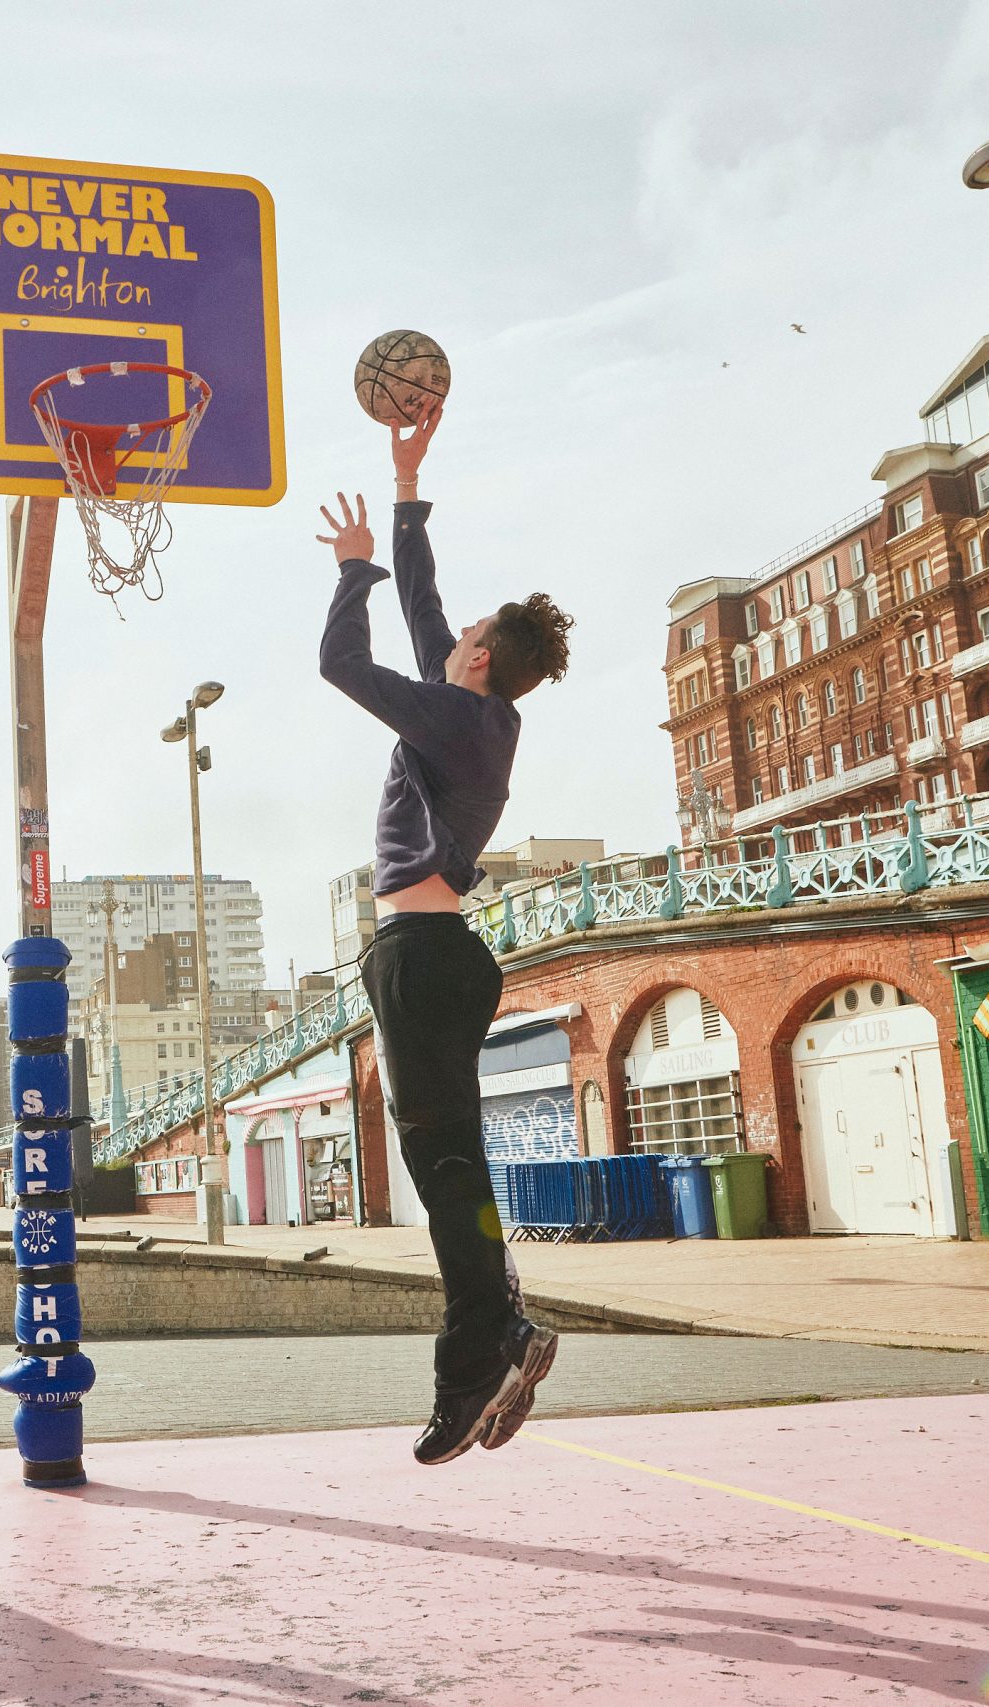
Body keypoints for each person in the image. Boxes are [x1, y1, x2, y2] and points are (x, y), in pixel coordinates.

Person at [316, 403, 574, 1465]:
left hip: (422, 960)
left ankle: (485, 1345)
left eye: (465, 638)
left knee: (444, 1171)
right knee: (452, 1163)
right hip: (431, 955)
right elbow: (429, 614)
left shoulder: (458, 719)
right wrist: (406, 486)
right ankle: (501, 1315)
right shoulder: (478, 713)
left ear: (476, 660)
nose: (454, 634)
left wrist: (349, 574)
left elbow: (344, 664)